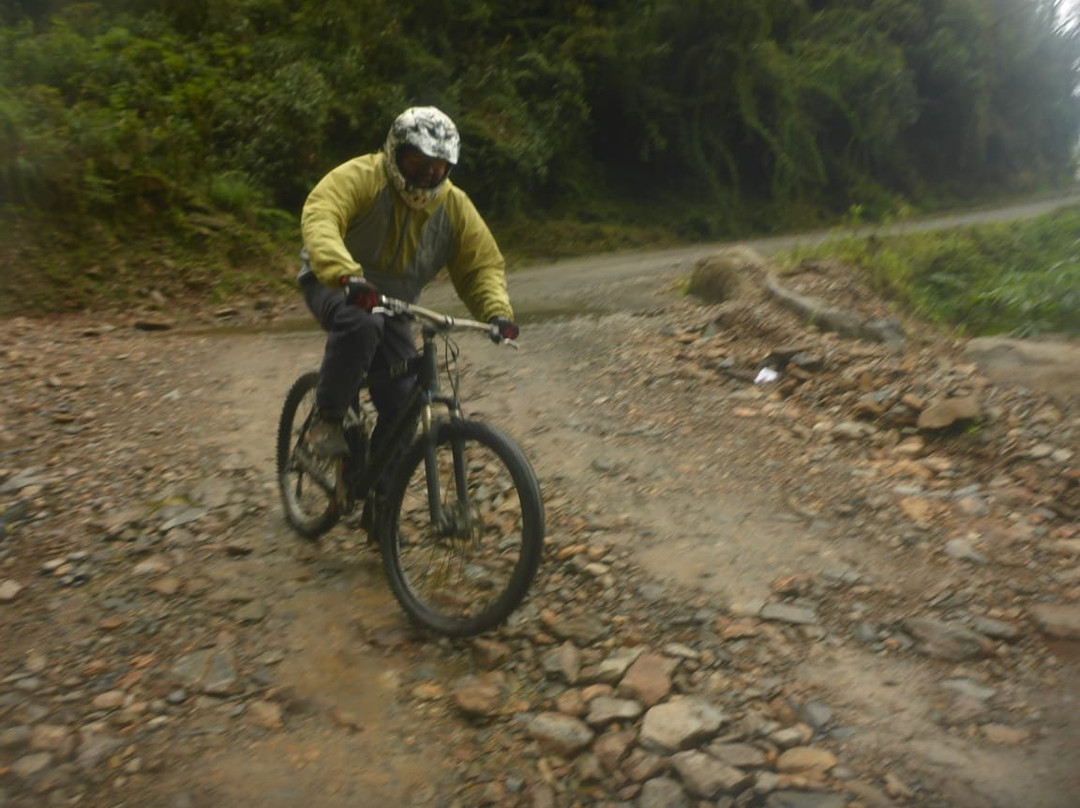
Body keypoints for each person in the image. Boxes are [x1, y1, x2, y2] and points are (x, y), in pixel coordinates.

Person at [297, 106, 519, 461]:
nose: (428, 175)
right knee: (362, 323)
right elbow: (322, 214)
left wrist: (496, 312)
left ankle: (382, 495)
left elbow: (481, 266)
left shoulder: (455, 207)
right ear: (395, 152)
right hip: (335, 282)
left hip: (396, 303)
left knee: (404, 402)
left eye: (439, 167)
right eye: (418, 163)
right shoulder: (364, 176)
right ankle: (327, 418)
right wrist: (345, 274)